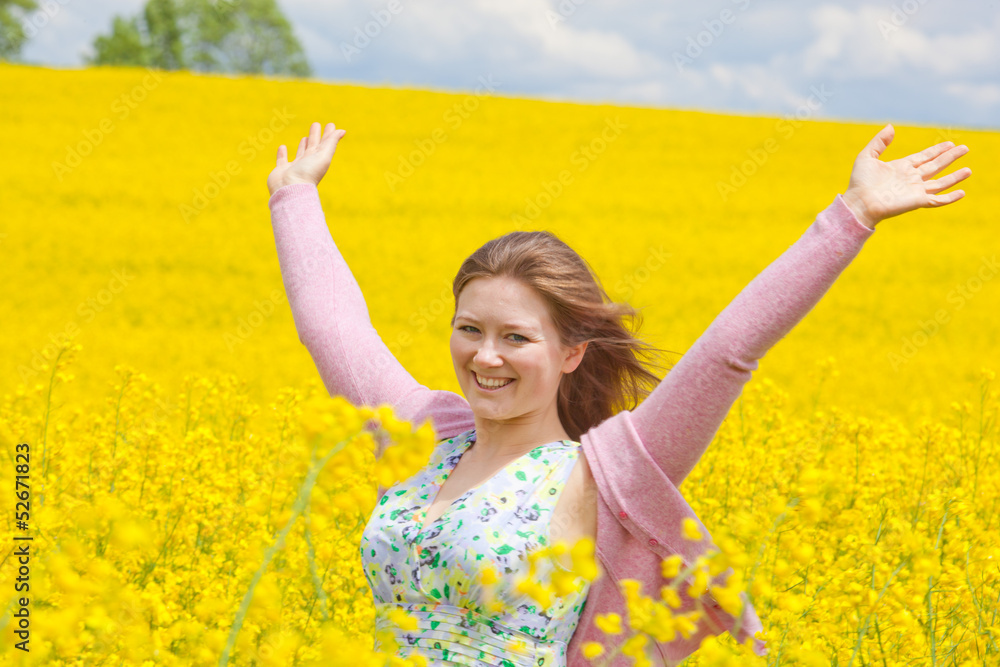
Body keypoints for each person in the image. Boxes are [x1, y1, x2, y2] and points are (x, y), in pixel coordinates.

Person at [266, 122, 970, 666]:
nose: (485, 355)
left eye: (516, 337)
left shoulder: (599, 474)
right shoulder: (423, 435)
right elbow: (331, 331)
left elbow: (728, 352)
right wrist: (293, 195)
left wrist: (849, 217)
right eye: (469, 328)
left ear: (572, 352)